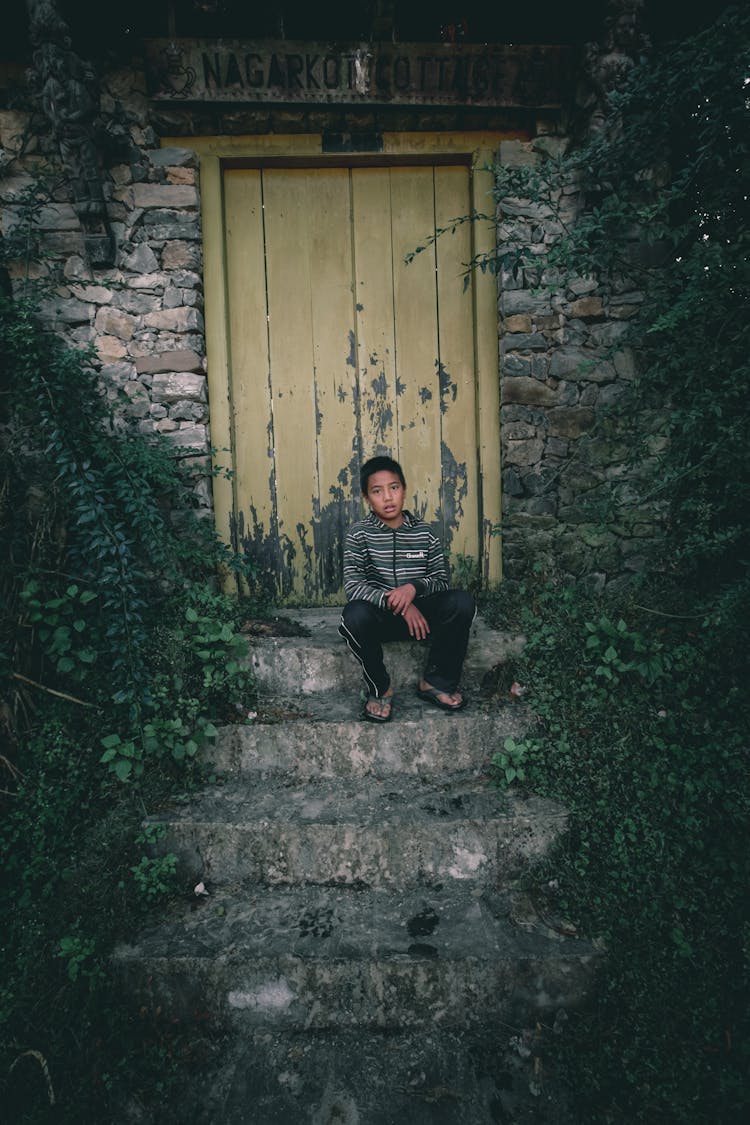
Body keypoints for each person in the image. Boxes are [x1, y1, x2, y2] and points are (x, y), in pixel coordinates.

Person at [338, 455, 476, 723]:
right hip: (381, 619)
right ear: (367, 498)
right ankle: (380, 688)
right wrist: (399, 603)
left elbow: (439, 579)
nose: (388, 497)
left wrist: (412, 589)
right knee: (352, 616)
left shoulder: (424, 532)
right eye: (377, 491)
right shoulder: (359, 534)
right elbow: (354, 586)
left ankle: (436, 682)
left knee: (462, 602)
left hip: (422, 622)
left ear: (404, 489)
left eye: (394, 488)